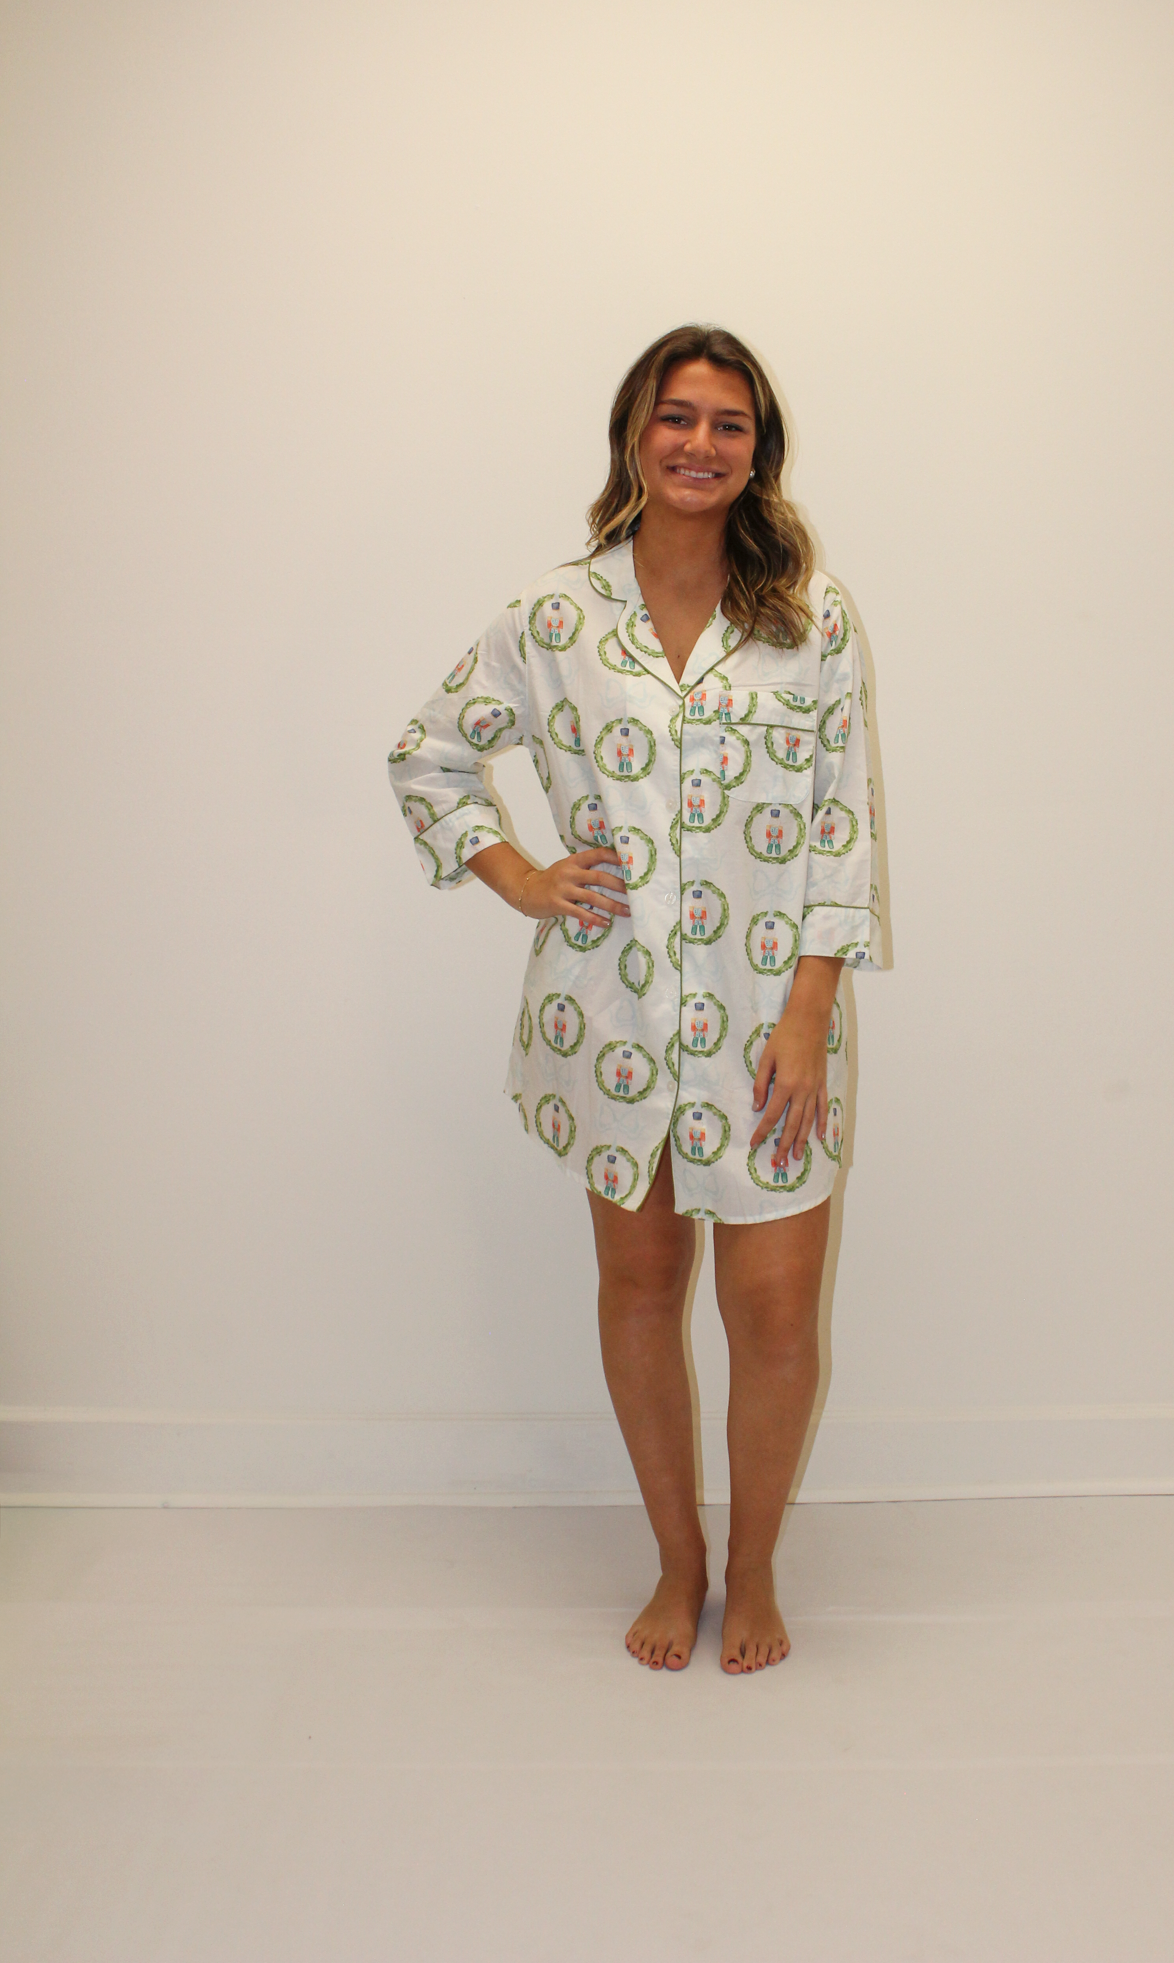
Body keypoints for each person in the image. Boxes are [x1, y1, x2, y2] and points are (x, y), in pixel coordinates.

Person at [388, 325, 883, 1675]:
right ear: (633, 434)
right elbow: (428, 754)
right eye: (676, 416)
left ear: (758, 452)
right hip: (613, 1021)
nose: (699, 444)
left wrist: (807, 1017)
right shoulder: (555, 618)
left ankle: (757, 1569)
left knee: (775, 1315)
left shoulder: (811, 617)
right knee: (643, 1283)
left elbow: (841, 825)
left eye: (729, 424)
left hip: (772, 1026)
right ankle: (678, 1560)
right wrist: (521, 878)